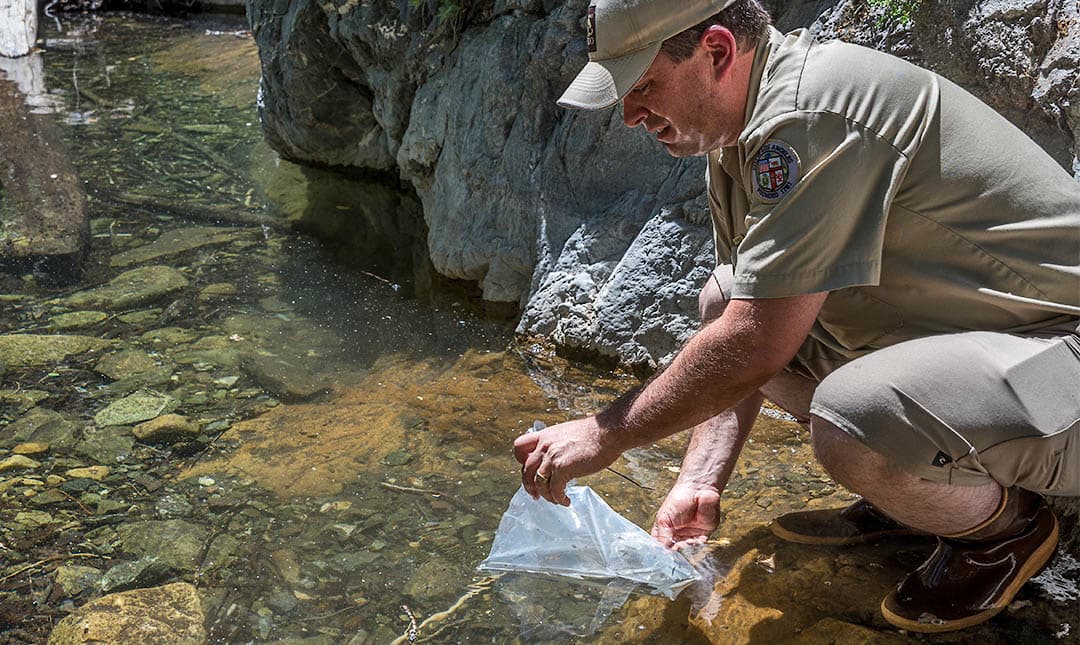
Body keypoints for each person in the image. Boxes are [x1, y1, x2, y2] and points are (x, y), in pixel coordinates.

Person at [513, 0, 1080, 633]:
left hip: (1066, 355)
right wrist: (697, 484)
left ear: (719, 52)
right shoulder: (743, 133)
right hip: (1004, 344)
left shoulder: (809, 118)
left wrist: (604, 432)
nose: (630, 114)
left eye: (642, 85)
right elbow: (740, 323)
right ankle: (921, 501)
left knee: (850, 419)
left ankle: (1003, 533)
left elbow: (757, 347)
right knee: (723, 299)